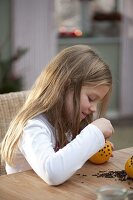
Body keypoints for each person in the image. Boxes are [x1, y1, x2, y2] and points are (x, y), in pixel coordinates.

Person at [1, 45, 114, 185]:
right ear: (65, 86)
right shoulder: (32, 127)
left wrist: (92, 149)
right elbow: (52, 173)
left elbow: (67, 159)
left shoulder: (65, 122)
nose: (94, 109)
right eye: (91, 98)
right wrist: (93, 133)